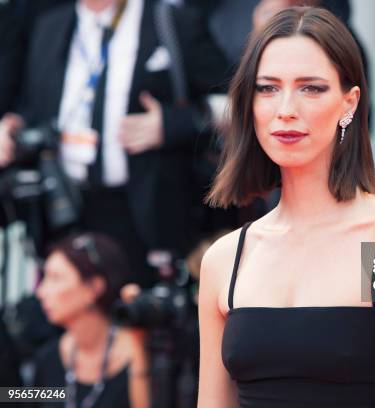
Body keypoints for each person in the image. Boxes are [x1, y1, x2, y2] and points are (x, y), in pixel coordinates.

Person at [197, 7, 375, 407]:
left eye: (311, 88)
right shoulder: (224, 259)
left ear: (349, 103)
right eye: (267, 88)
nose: (286, 108)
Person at [0, 0, 229, 287]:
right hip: (67, 210)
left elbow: (237, 102)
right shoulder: (50, 26)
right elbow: (35, 108)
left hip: (144, 215)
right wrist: (12, 128)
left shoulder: (170, 21)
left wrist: (175, 124)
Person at [33, 233, 149, 407]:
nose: (41, 292)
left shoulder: (138, 356)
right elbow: (13, 397)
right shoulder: (48, 360)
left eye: (55, 278)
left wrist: (140, 354)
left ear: (94, 287)